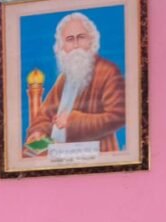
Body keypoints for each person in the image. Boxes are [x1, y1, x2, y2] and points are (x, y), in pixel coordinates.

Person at [25, 12, 126, 152]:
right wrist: (38, 132)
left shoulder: (108, 71)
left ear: (92, 41)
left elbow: (118, 116)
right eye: (70, 39)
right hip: (58, 155)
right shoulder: (64, 78)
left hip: (97, 155)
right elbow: (44, 116)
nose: (76, 45)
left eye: (81, 37)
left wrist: (72, 121)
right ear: (61, 46)